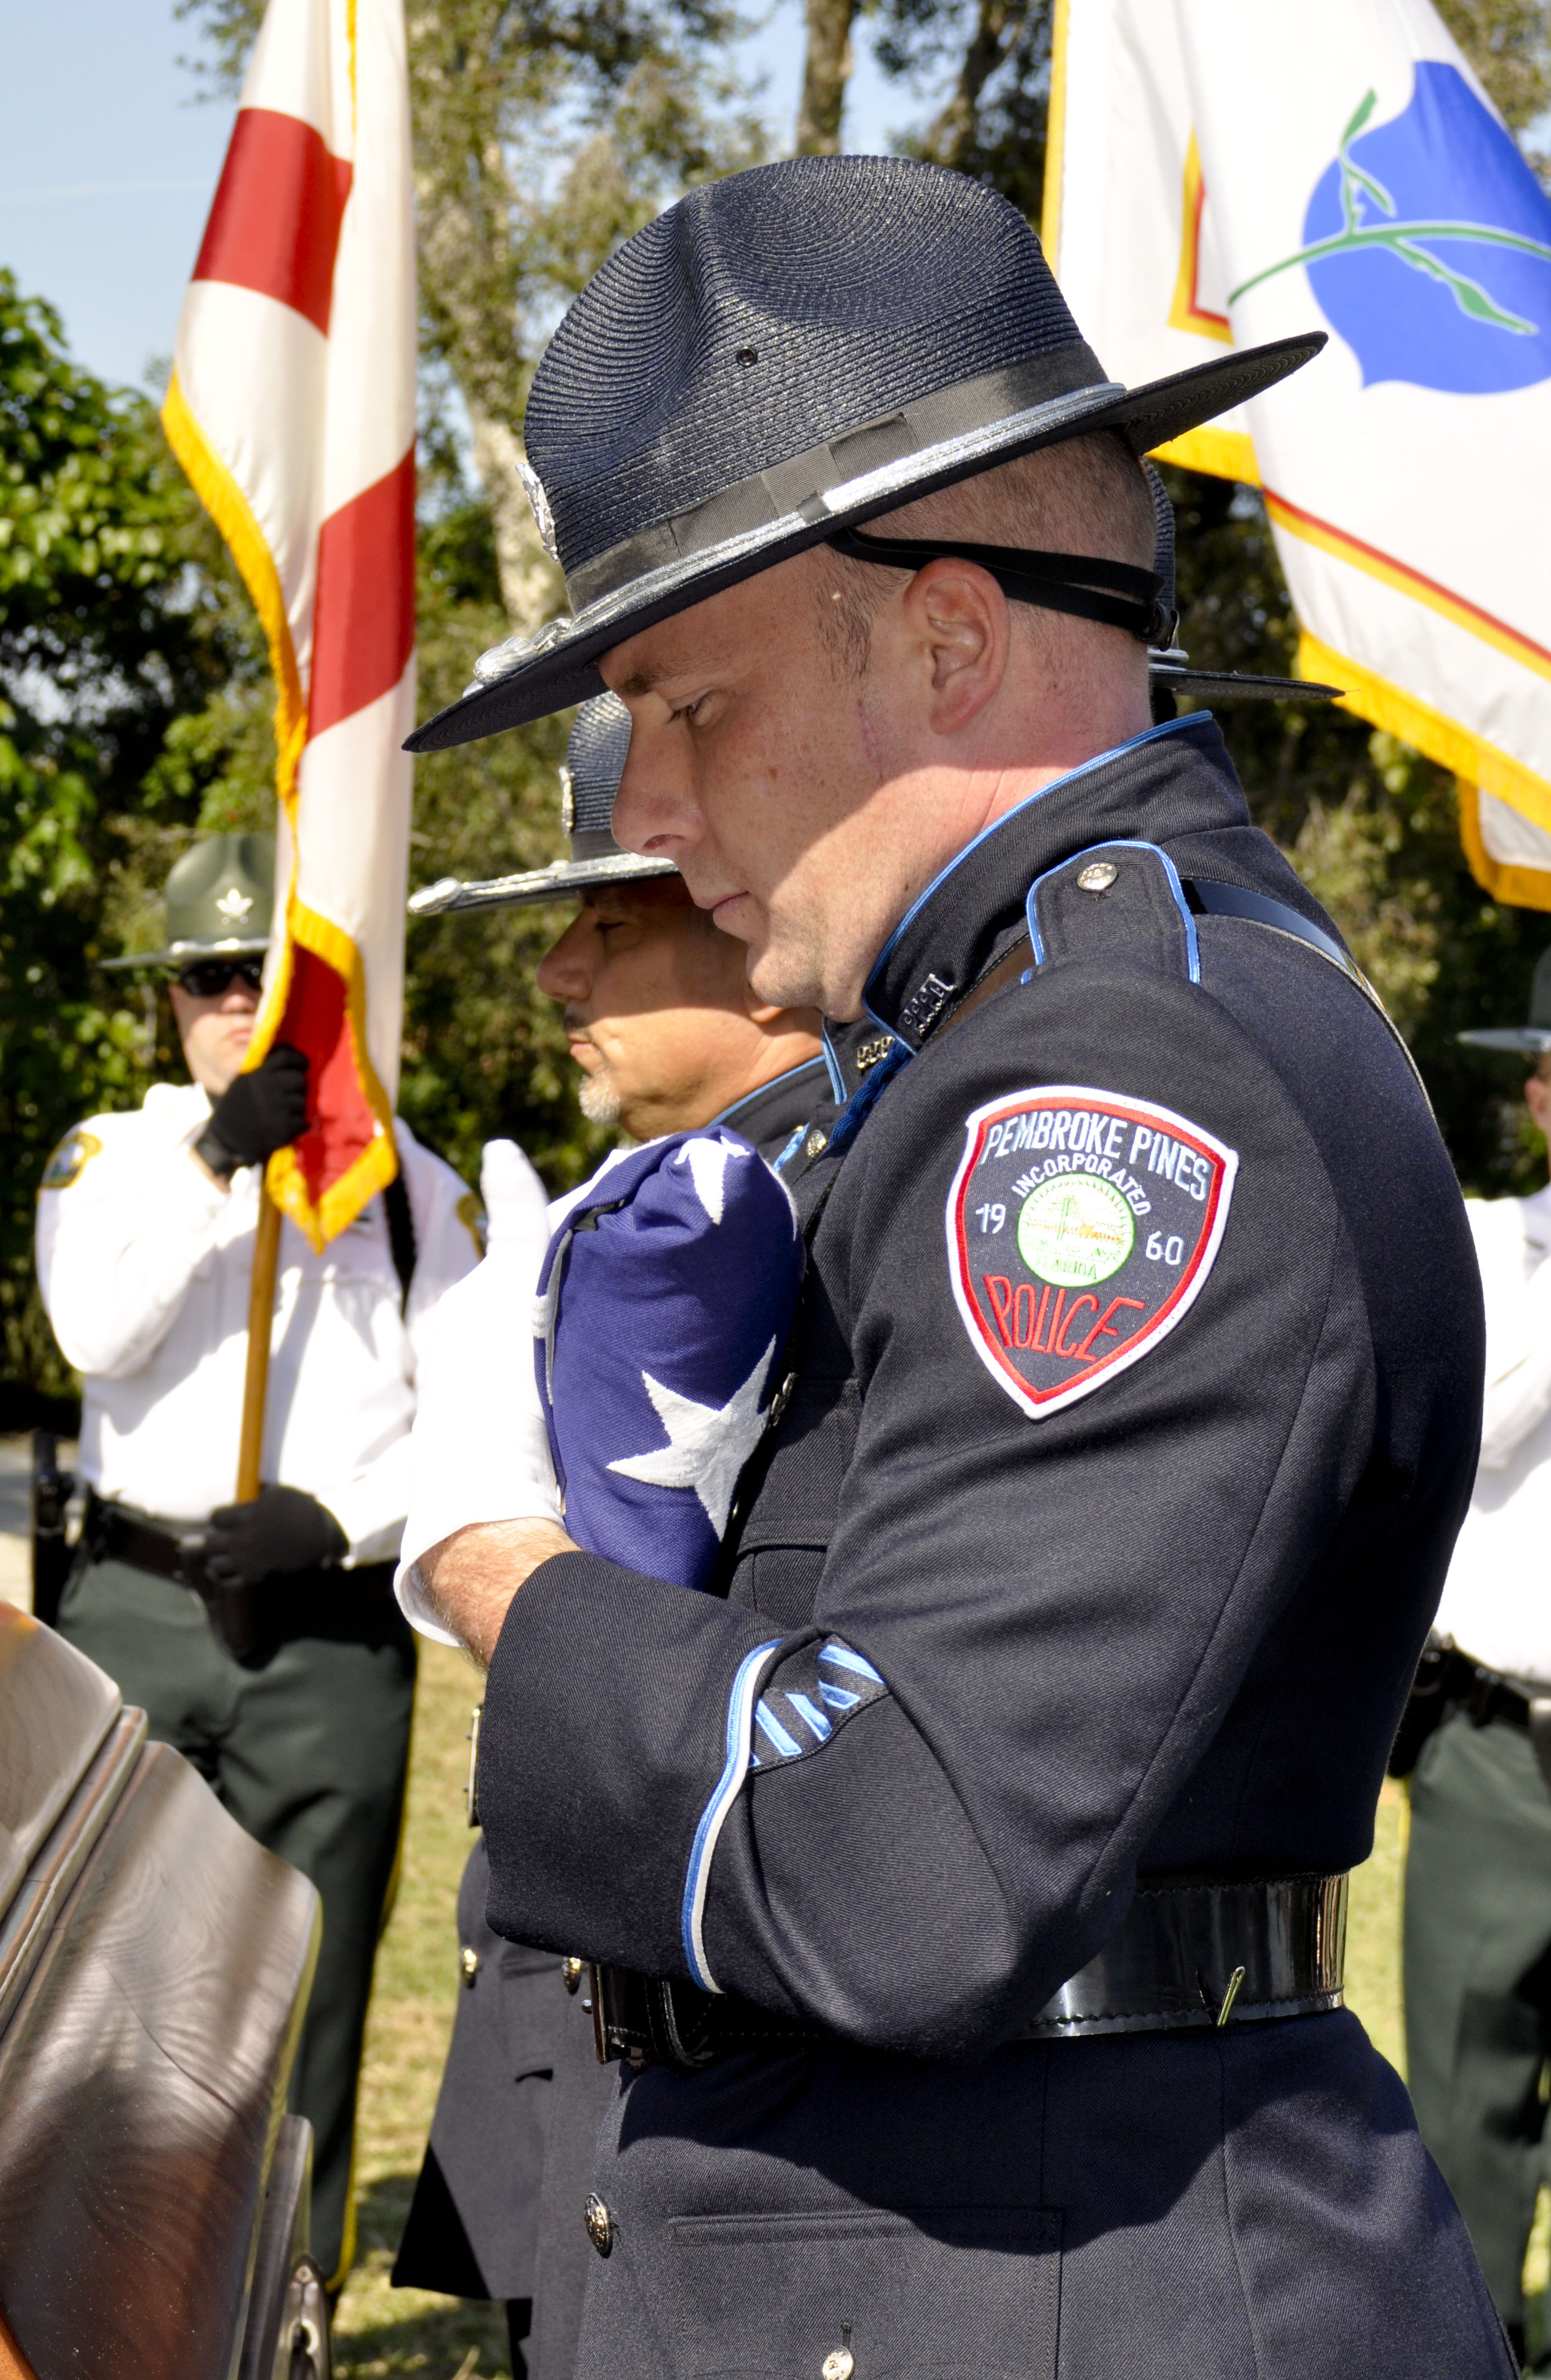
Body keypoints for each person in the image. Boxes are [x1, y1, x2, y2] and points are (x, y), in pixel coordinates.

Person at [401, 158, 1501, 2377]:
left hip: (1042, 2273)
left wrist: (508, 1577)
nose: (652, 812)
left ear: (947, 637)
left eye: (685, 710)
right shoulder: (1019, 1027)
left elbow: (900, 1853)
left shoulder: (1111, 1072)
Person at [393, 693, 848, 2380]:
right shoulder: (649, 1198)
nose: (555, 973)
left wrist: (479, 1521)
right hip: (582, 1952)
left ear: (751, 929)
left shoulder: (847, 1195)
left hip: (739, 1998)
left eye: (607, 923)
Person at [34, 831, 484, 2290]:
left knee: (309, 1989)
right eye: (208, 977)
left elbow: (475, 1421)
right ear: (167, 1000)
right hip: (137, 1610)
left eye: (262, 976)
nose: (236, 1002)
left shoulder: (406, 1188)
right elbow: (94, 1333)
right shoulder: (114, 1159)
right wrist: (216, 1162)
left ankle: (292, 2304)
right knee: (102, 1985)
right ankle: (99, 2299)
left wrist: (343, 1519)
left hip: (323, 1638)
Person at [1398, 951, 1551, 2368]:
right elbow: (1470, 1425)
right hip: (1500, 1750)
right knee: (1461, 2108)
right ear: (1540, 1093)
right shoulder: (1487, 1243)